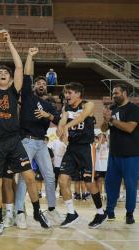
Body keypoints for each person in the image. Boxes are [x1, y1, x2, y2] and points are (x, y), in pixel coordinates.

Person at [0, 31, 50, 235]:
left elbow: (19, 66)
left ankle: (37, 212)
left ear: (11, 79)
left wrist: (10, 41)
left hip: (14, 141)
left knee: (30, 177)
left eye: (6, 73)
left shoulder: (13, 91)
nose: (2, 74)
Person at [15, 47, 62, 229]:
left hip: (42, 143)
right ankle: (20, 212)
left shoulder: (49, 105)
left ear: (47, 86)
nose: (40, 85)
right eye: (38, 83)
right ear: (34, 87)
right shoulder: (27, 97)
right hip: (26, 140)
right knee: (24, 178)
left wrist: (47, 116)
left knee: (50, 177)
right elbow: (26, 75)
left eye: (43, 83)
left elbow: (58, 120)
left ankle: (51, 208)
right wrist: (29, 56)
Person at [57, 82, 107, 229]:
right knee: (62, 179)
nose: (67, 95)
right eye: (65, 93)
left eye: (69, 93)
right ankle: (71, 213)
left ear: (78, 94)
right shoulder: (66, 107)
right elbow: (63, 119)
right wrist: (61, 128)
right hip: (72, 148)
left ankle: (100, 212)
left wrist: (66, 126)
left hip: (86, 148)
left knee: (89, 183)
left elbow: (82, 117)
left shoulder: (88, 105)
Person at [101, 84, 139, 224]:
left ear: (124, 93)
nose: (114, 95)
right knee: (110, 184)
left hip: (131, 154)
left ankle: (129, 213)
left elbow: (129, 128)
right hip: (114, 154)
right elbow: (103, 128)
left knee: (130, 185)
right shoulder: (112, 108)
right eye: (113, 93)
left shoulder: (134, 109)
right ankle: (109, 211)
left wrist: (111, 120)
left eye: (116, 93)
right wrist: (106, 120)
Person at [94, 133, 108, 197]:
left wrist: (106, 138)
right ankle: (100, 194)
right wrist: (100, 140)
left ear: (105, 138)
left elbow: (110, 144)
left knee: (107, 181)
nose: (101, 138)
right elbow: (98, 147)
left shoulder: (107, 145)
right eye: (99, 137)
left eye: (102, 137)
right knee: (99, 180)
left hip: (107, 167)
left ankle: (107, 194)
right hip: (99, 167)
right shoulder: (96, 144)